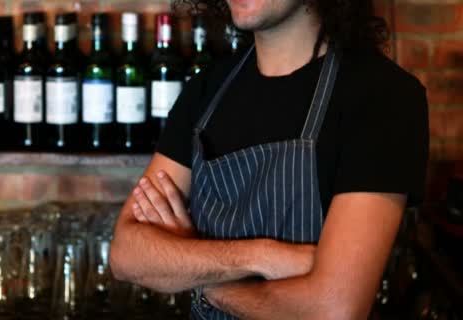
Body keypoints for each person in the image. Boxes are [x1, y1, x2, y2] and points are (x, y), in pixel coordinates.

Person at [109, 0, 429, 318]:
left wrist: (199, 277)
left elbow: (333, 309)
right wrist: (265, 256)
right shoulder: (205, 91)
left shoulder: (383, 97)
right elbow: (126, 254)